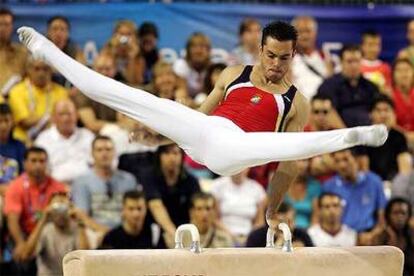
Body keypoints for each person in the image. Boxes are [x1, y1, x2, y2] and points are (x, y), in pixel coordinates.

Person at [17, 22, 388, 231]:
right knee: (124, 94)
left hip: (237, 150)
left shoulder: (295, 100)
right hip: (204, 134)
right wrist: (159, 136)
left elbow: (287, 165)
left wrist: (272, 211)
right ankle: (46, 50)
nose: (276, 64)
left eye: (285, 58)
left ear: (294, 56)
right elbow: (200, 118)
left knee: (291, 148)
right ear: (260, 50)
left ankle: (355, 137)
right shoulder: (232, 74)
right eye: (271, 55)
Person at [3, 147, 66, 275]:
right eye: (34, 161)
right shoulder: (16, 186)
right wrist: (20, 243)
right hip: (23, 233)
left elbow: (62, 219)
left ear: (47, 163)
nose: (38, 165)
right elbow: (12, 219)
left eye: (42, 161)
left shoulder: (58, 187)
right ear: (25, 164)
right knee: (20, 259)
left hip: (48, 233)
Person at [71, 135, 139, 229]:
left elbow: (135, 211)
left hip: (124, 233)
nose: (104, 154)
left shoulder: (129, 180)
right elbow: (82, 216)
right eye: (99, 150)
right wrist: (106, 234)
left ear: (114, 152)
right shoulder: (81, 181)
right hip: (94, 232)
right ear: (92, 153)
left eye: (108, 149)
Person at [140, 144, 200, 241]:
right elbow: (156, 206)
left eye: (175, 153)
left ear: (182, 156)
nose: (172, 157)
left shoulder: (191, 180)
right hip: (157, 228)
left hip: (185, 228)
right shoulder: (149, 177)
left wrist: (192, 234)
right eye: (167, 153)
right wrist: (175, 235)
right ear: (159, 156)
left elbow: (197, 209)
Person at [21, 192, 90, 276]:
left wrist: (80, 222)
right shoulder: (45, 231)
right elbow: (26, 255)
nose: (60, 213)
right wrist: (43, 219)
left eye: (63, 207)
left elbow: (85, 260)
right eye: (56, 207)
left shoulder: (77, 229)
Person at [323, 149, 387, 233]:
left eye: (345, 159)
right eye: (337, 161)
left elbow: (382, 216)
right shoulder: (329, 186)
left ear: (356, 160)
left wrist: (374, 234)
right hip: (341, 237)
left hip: (369, 235)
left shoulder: (374, 181)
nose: (342, 165)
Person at [317, 45, 381, 127]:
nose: (354, 66)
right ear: (341, 62)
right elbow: (327, 112)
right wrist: (346, 135)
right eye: (349, 61)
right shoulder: (329, 86)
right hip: (340, 134)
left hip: (368, 133)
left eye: (357, 61)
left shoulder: (371, 87)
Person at [8, 56, 68, 143]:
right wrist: (50, 120)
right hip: (24, 141)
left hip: (53, 141)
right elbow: (24, 121)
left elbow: (65, 119)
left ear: (51, 71)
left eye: (45, 69)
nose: (41, 73)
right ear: (29, 70)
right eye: (37, 69)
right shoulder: (17, 91)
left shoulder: (61, 92)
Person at [35, 99, 95, 184]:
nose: (66, 118)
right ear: (53, 118)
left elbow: (96, 166)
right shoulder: (42, 140)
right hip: (55, 188)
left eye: (70, 114)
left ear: (77, 115)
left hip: (87, 186)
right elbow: (40, 171)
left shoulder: (88, 137)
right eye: (61, 114)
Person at [357, 95, 411, 181]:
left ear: (393, 114)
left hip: (395, 184)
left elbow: (404, 169)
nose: (383, 115)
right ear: (370, 114)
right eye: (378, 110)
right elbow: (364, 170)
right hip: (373, 184)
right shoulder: (365, 137)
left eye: (386, 110)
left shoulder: (399, 137)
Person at [211, 169, 266, 242]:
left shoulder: (257, 188)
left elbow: (259, 222)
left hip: (248, 236)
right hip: (223, 234)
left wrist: (251, 237)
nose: (239, 170)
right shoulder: (218, 186)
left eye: (243, 167)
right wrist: (230, 234)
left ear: (248, 168)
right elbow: (214, 218)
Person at [100, 190, 165, 249]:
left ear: (146, 209)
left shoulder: (155, 233)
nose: (136, 214)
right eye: (131, 209)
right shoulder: (111, 238)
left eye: (139, 208)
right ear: (123, 210)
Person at [370, 198, 414, 276]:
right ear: (388, 215)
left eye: (403, 213)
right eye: (395, 213)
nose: (400, 217)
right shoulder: (379, 237)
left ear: (408, 215)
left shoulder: (412, 235)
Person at [291, 16, 331, 100]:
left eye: (308, 31)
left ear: (315, 33)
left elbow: (331, 82)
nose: (305, 36)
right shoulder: (287, 59)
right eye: (300, 32)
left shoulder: (324, 56)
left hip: (321, 106)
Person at [246, 202, 313, 247]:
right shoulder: (257, 236)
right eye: (282, 222)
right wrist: (278, 244)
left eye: (290, 221)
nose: (286, 226)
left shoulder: (302, 235)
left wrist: (302, 251)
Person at [101, 20, 145, 85]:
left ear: (135, 37)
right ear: (114, 35)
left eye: (129, 34)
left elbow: (133, 82)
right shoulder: (107, 51)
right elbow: (102, 75)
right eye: (121, 34)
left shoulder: (138, 58)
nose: (124, 38)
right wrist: (113, 52)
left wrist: (131, 57)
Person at [47, 15, 85, 87]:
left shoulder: (75, 49)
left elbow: (82, 73)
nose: (58, 33)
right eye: (55, 29)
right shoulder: (39, 47)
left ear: (68, 33)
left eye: (62, 29)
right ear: (48, 32)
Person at [284, 159, 321, 229]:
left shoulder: (314, 186)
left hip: (307, 232)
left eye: (305, 161)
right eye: (299, 160)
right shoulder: (280, 184)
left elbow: (316, 216)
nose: (303, 165)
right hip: (283, 230)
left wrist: (309, 235)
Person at [173, 32, 211, 98]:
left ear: (208, 51)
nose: (198, 51)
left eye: (202, 47)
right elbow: (181, 93)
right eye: (194, 46)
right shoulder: (181, 65)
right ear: (188, 50)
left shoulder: (212, 68)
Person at [0, 8, 27, 96]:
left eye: (7, 24)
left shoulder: (22, 52)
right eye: (0, 24)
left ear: (12, 27)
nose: (3, 28)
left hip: (17, 98)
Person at [360, 30, 392, 96]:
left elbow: (389, 91)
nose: (374, 49)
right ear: (362, 46)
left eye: (377, 45)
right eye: (370, 45)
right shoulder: (356, 67)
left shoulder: (386, 68)